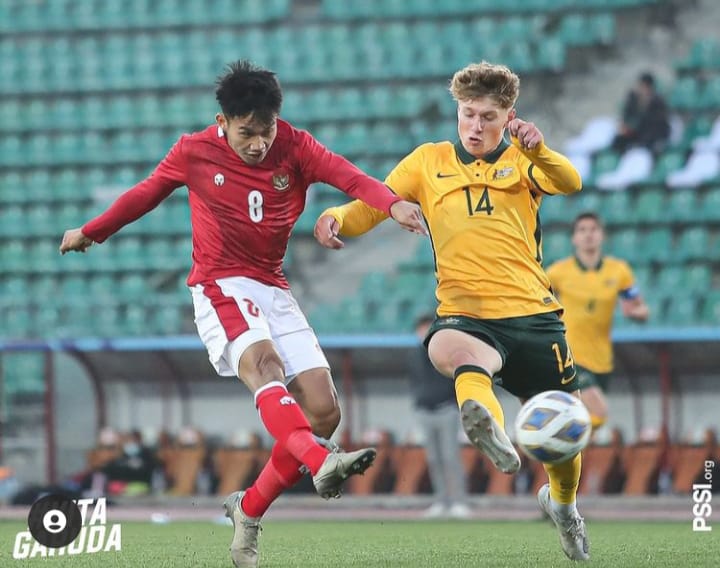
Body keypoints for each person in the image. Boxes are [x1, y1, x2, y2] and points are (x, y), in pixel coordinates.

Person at [59, 59, 426, 568]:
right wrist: (91, 231)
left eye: (266, 130)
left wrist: (391, 205)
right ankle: (321, 462)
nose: (258, 143)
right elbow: (145, 194)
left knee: (324, 412)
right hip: (219, 284)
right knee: (265, 365)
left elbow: (348, 175)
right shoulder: (193, 151)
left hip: (273, 287)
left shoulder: (294, 146)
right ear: (223, 121)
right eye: (247, 132)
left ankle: (248, 510)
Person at [315, 61, 590, 561]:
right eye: (468, 114)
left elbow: (569, 182)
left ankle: (564, 506)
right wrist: (335, 216)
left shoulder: (524, 159)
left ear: (508, 116)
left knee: (565, 442)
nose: (476, 126)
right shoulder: (428, 161)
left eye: (488, 116)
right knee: (447, 345)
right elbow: (373, 204)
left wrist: (540, 149)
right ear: (457, 112)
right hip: (466, 310)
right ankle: (488, 423)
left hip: (532, 315)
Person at [546, 212, 649, 433]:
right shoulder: (557, 273)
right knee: (599, 410)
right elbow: (538, 302)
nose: (588, 235)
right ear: (574, 238)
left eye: (593, 229)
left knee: (587, 422)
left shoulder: (619, 271)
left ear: (602, 235)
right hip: (571, 356)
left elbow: (641, 308)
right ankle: (545, 437)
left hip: (602, 360)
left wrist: (635, 312)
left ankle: (557, 448)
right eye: (582, 230)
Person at [410, 314, 470, 519]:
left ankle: (459, 502)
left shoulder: (445, 353)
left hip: (446, 410)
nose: (423, 333)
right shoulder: (415, 355)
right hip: (425, 411)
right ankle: (441, 501)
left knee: (451, 457)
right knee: (434, 459)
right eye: (420, 329)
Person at [611, 72, 670, 155]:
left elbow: (658, 122)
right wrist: (626, 126)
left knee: (649, 140)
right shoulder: (633, 98)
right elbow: (627, 115)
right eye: (640, 86)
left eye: (644, 86)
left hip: (652, 133)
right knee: (619, 139)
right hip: (636, 132)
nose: (642, 89)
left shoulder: (658, 102)